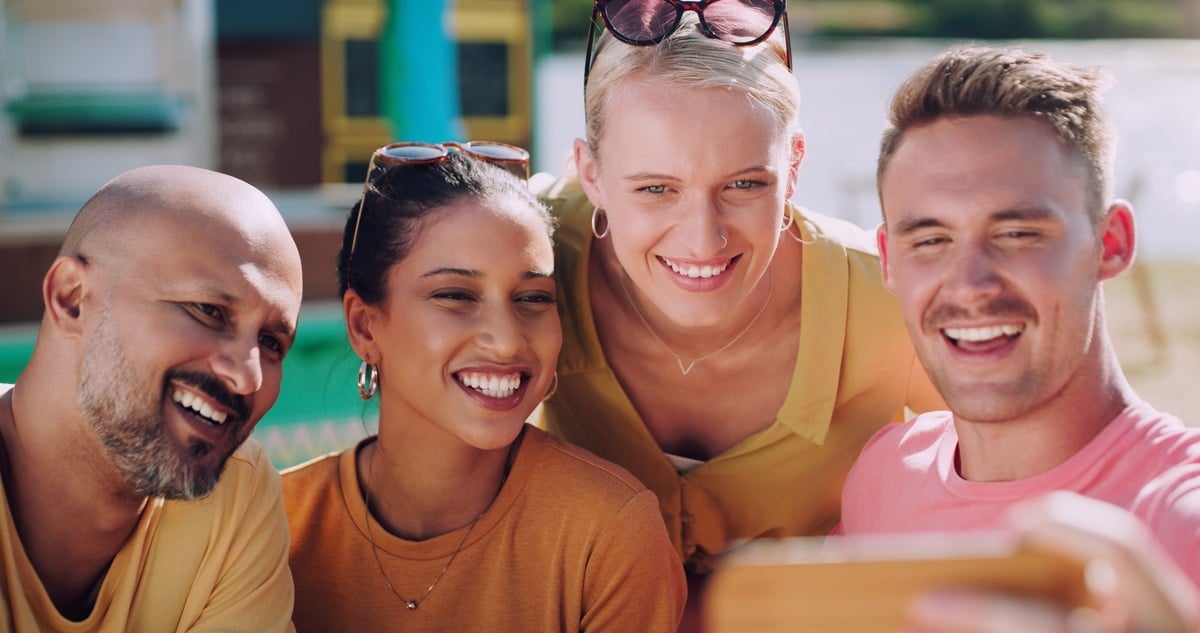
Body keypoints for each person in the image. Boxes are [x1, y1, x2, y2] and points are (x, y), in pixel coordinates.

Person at [532, 0, 944, 579]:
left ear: (794, 165)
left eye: (745, 184)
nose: (703, 240)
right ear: (591, 172)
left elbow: (1018, 483)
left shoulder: (891, 300)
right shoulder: (525, 248)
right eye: (656, 188)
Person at [836, 44, 1200, 632]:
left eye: (1017, 232)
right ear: (889, 261)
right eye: (930, 240)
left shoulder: (1179, 518)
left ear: (1111, 242)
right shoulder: (882, 477)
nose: (971, 284)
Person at [281, 143, 685, 633]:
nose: (507, 339)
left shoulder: (608, 535)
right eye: (455, 295)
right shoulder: (276, 526)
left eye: (533, 298)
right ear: (365, 327)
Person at [0, 165, 302, 632]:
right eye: (208, 310)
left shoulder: (237, 496)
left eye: (270, 343)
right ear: (71, 299)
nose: (247, 376)